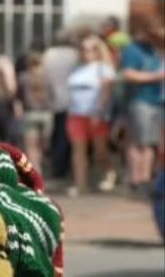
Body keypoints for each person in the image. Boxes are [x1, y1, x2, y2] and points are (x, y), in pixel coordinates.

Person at [119, 15, 165, 194]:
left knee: (150, 142)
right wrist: (156, 76)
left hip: (155, 100)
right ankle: (136, 179)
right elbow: (129, 74)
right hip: (140, 100)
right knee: (139, 142)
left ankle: (145, 179)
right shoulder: (132, 50)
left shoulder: (154, 48)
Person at [65, 35, 116, 197]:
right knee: (78, 150)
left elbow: (106, 92)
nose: (86, 52)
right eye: (83, 49)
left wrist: (99, 112)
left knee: (100, 149)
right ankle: (81, 184)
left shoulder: (104, 68)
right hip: (76, 114)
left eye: (91, 49)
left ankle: (109, 171)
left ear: (98, 50)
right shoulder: (76, 68)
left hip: (95, 115)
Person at [42, 27, 81, 179]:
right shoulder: (74, 54)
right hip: (72, 100)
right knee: (66, 137)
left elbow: (45, 78)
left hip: (54, 100)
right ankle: (62, 169)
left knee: (57, 134)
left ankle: (56, 167)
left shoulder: (48, 54)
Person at [18, 49, 53, 173]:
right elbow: (52, 95)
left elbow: (19, 96)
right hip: (46, 113)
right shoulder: (47, 77)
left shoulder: (23, 77)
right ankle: (40, 166)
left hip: (30, 113)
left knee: (31, 146)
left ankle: (36, 170)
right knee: (42, 145)